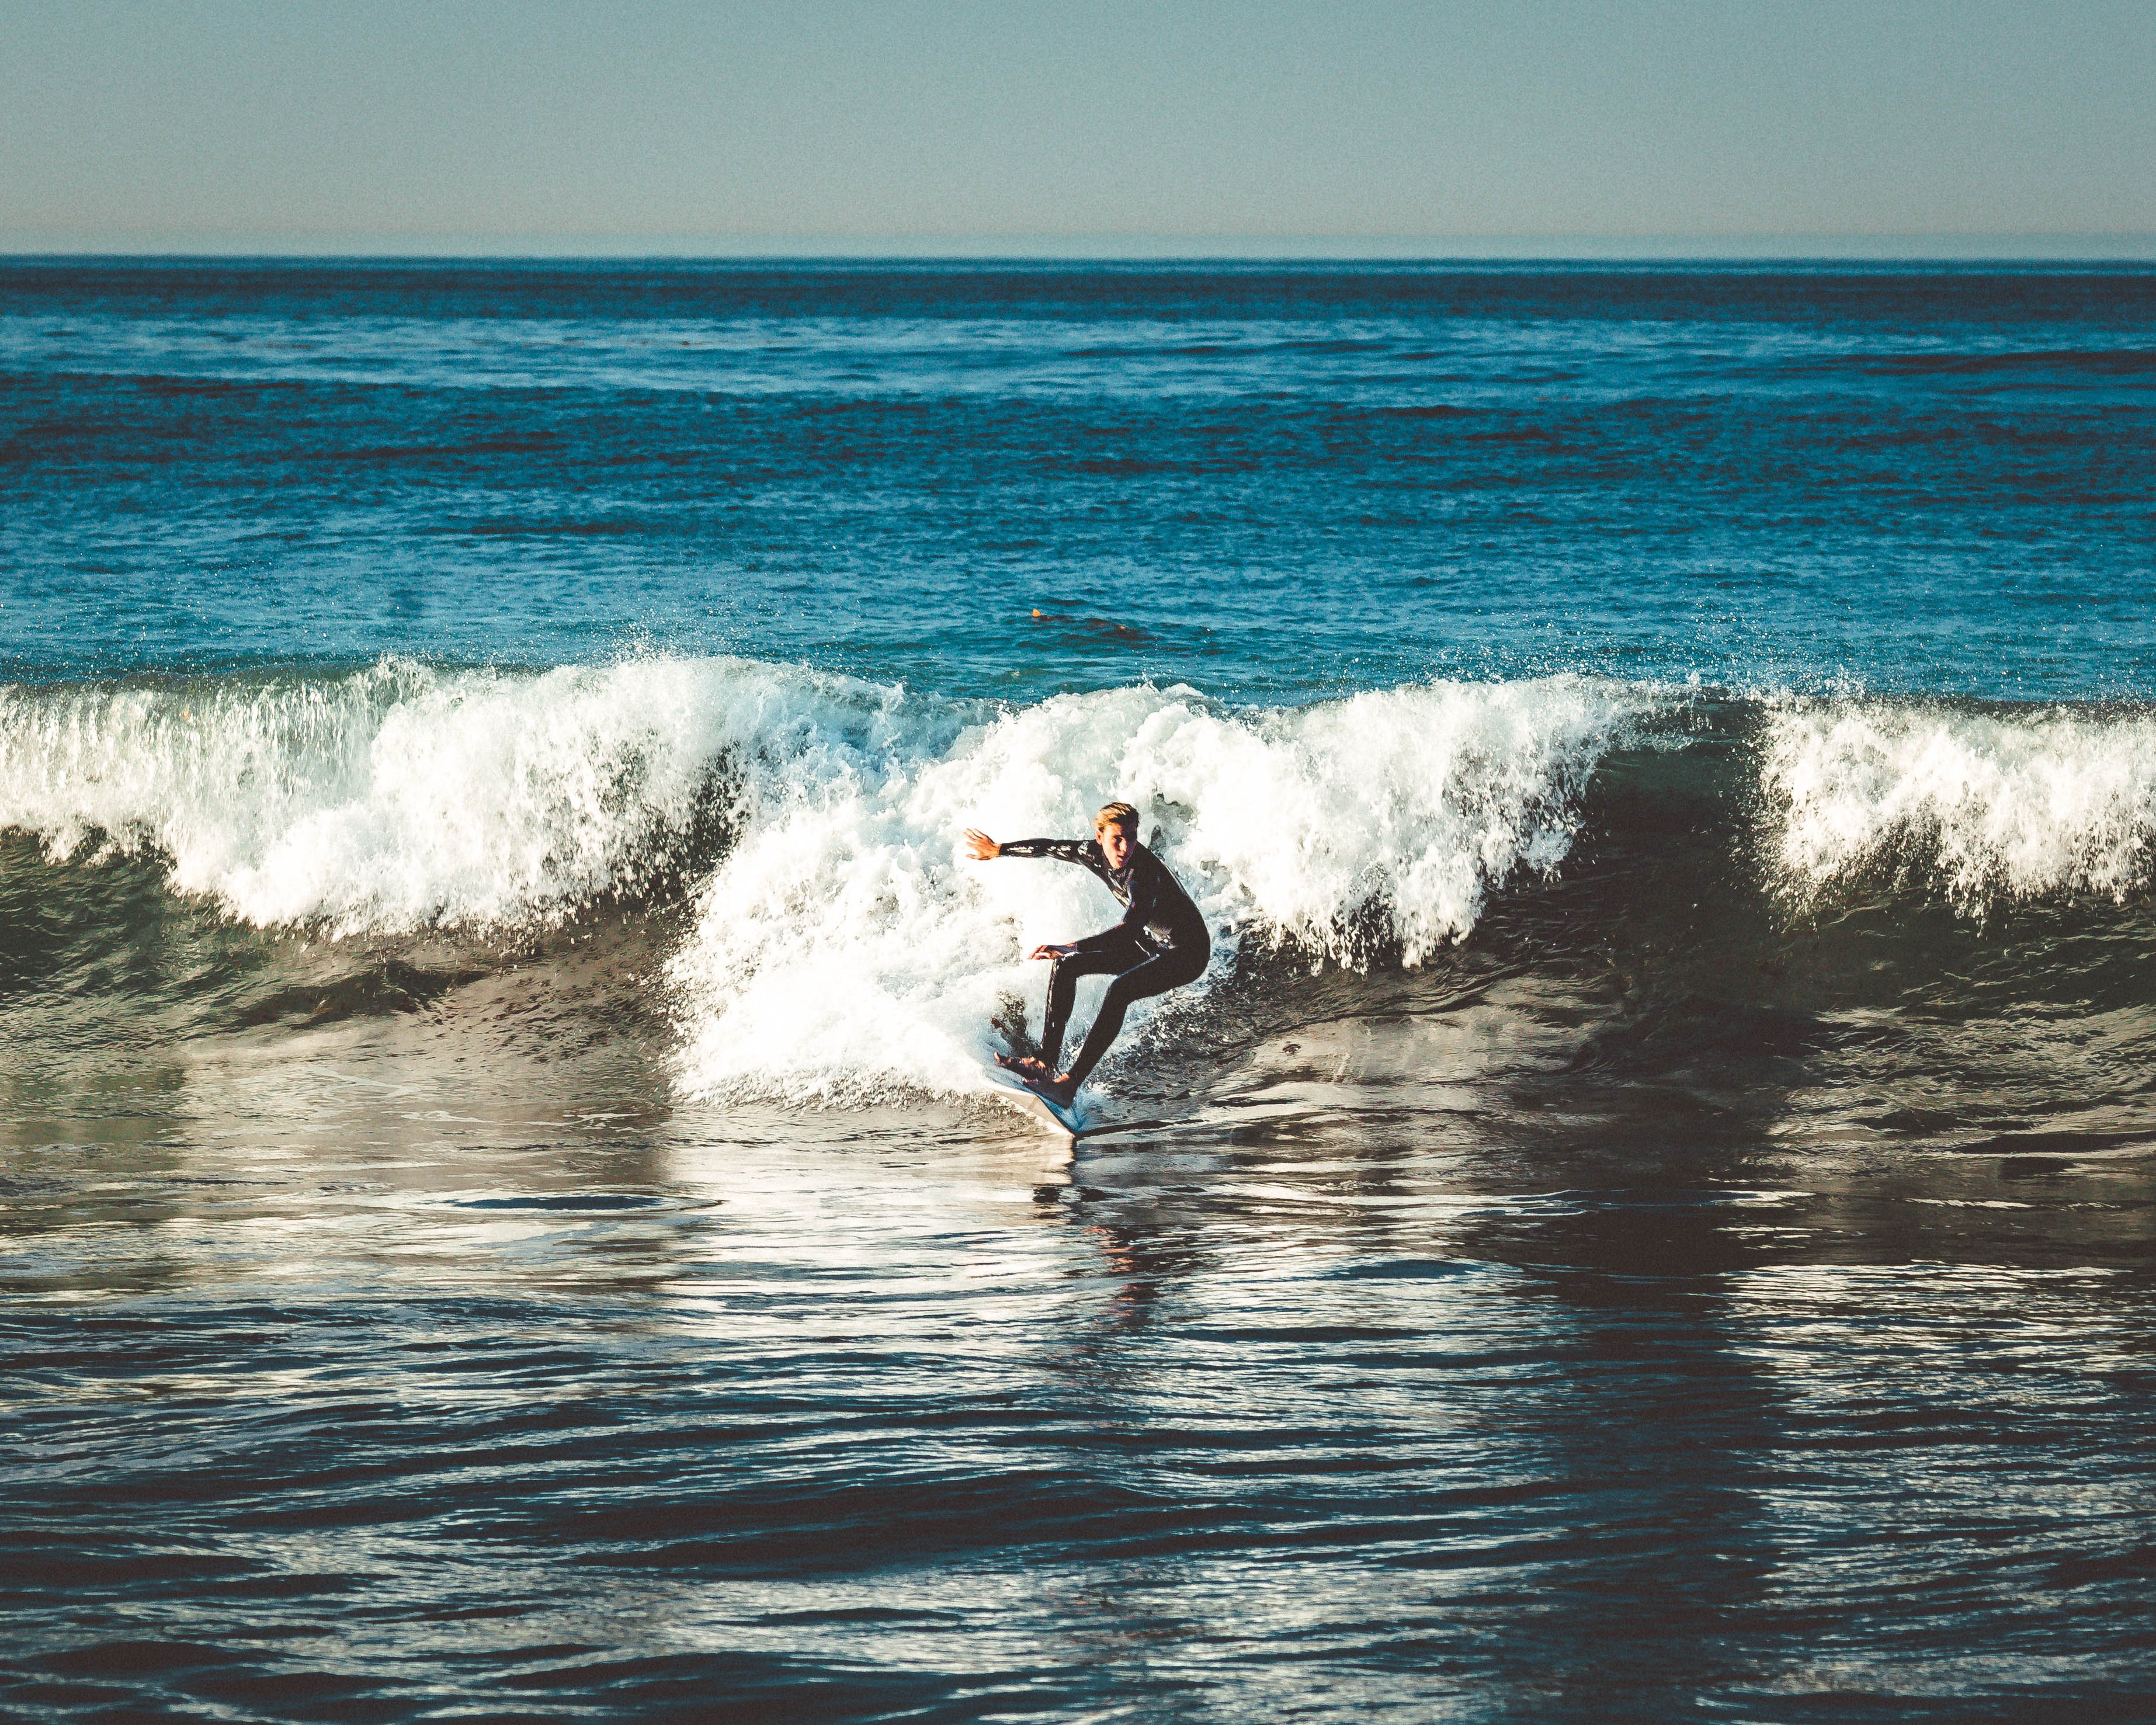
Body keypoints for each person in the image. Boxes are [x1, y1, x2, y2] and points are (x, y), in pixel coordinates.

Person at [961, 801, 1210, 1105]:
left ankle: (1069, 1085)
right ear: (1099, 837)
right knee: (1066, 967)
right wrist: (999, 850)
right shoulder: (1091, 853)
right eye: (1117, 839)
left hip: (1188, 953)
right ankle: (1044, 1062)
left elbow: (1128, 931)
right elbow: (1049, 847)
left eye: (1132, 838)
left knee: (1120, 991)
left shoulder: (1143, 876)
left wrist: (1072, 945)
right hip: (1154, 943)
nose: (1126, 848)